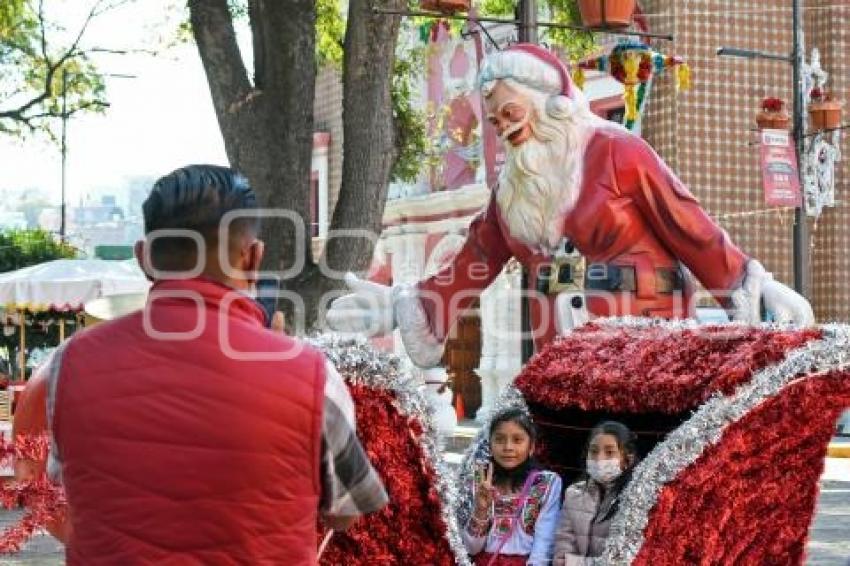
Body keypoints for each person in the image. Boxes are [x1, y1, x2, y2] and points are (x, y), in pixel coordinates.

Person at [327, 44, 813, 368]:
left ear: (551, 102)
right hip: (558, 352)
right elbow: (472, 263)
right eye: (496, 122)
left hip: (646, 346)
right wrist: (402, 305)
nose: (504, 127)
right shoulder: (512, 191)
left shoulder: (618, 152)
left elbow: (690, 226)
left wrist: (756, 287)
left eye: (511, 114)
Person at [22, 164, 388, 564]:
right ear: (252, 258)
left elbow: (64, 483)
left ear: (144, 257)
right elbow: (347, 510)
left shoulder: (68, 367)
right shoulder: (314, 376)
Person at [463, 408, 562, 566]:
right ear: (490, 445)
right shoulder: (480, 480)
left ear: (531, 447)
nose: (508, 447)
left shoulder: (546, 483)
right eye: (500, 439)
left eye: (517, 440)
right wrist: (480, 509)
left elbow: (544, 544)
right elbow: (471, 548)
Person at [552, 421, 639, 565]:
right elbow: (562, 556)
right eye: (593, 451)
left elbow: (622, 560)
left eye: (609, 452)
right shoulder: (573, 494)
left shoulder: (635, 498)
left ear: (627, 459)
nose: (599, 458)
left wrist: (576, 563)